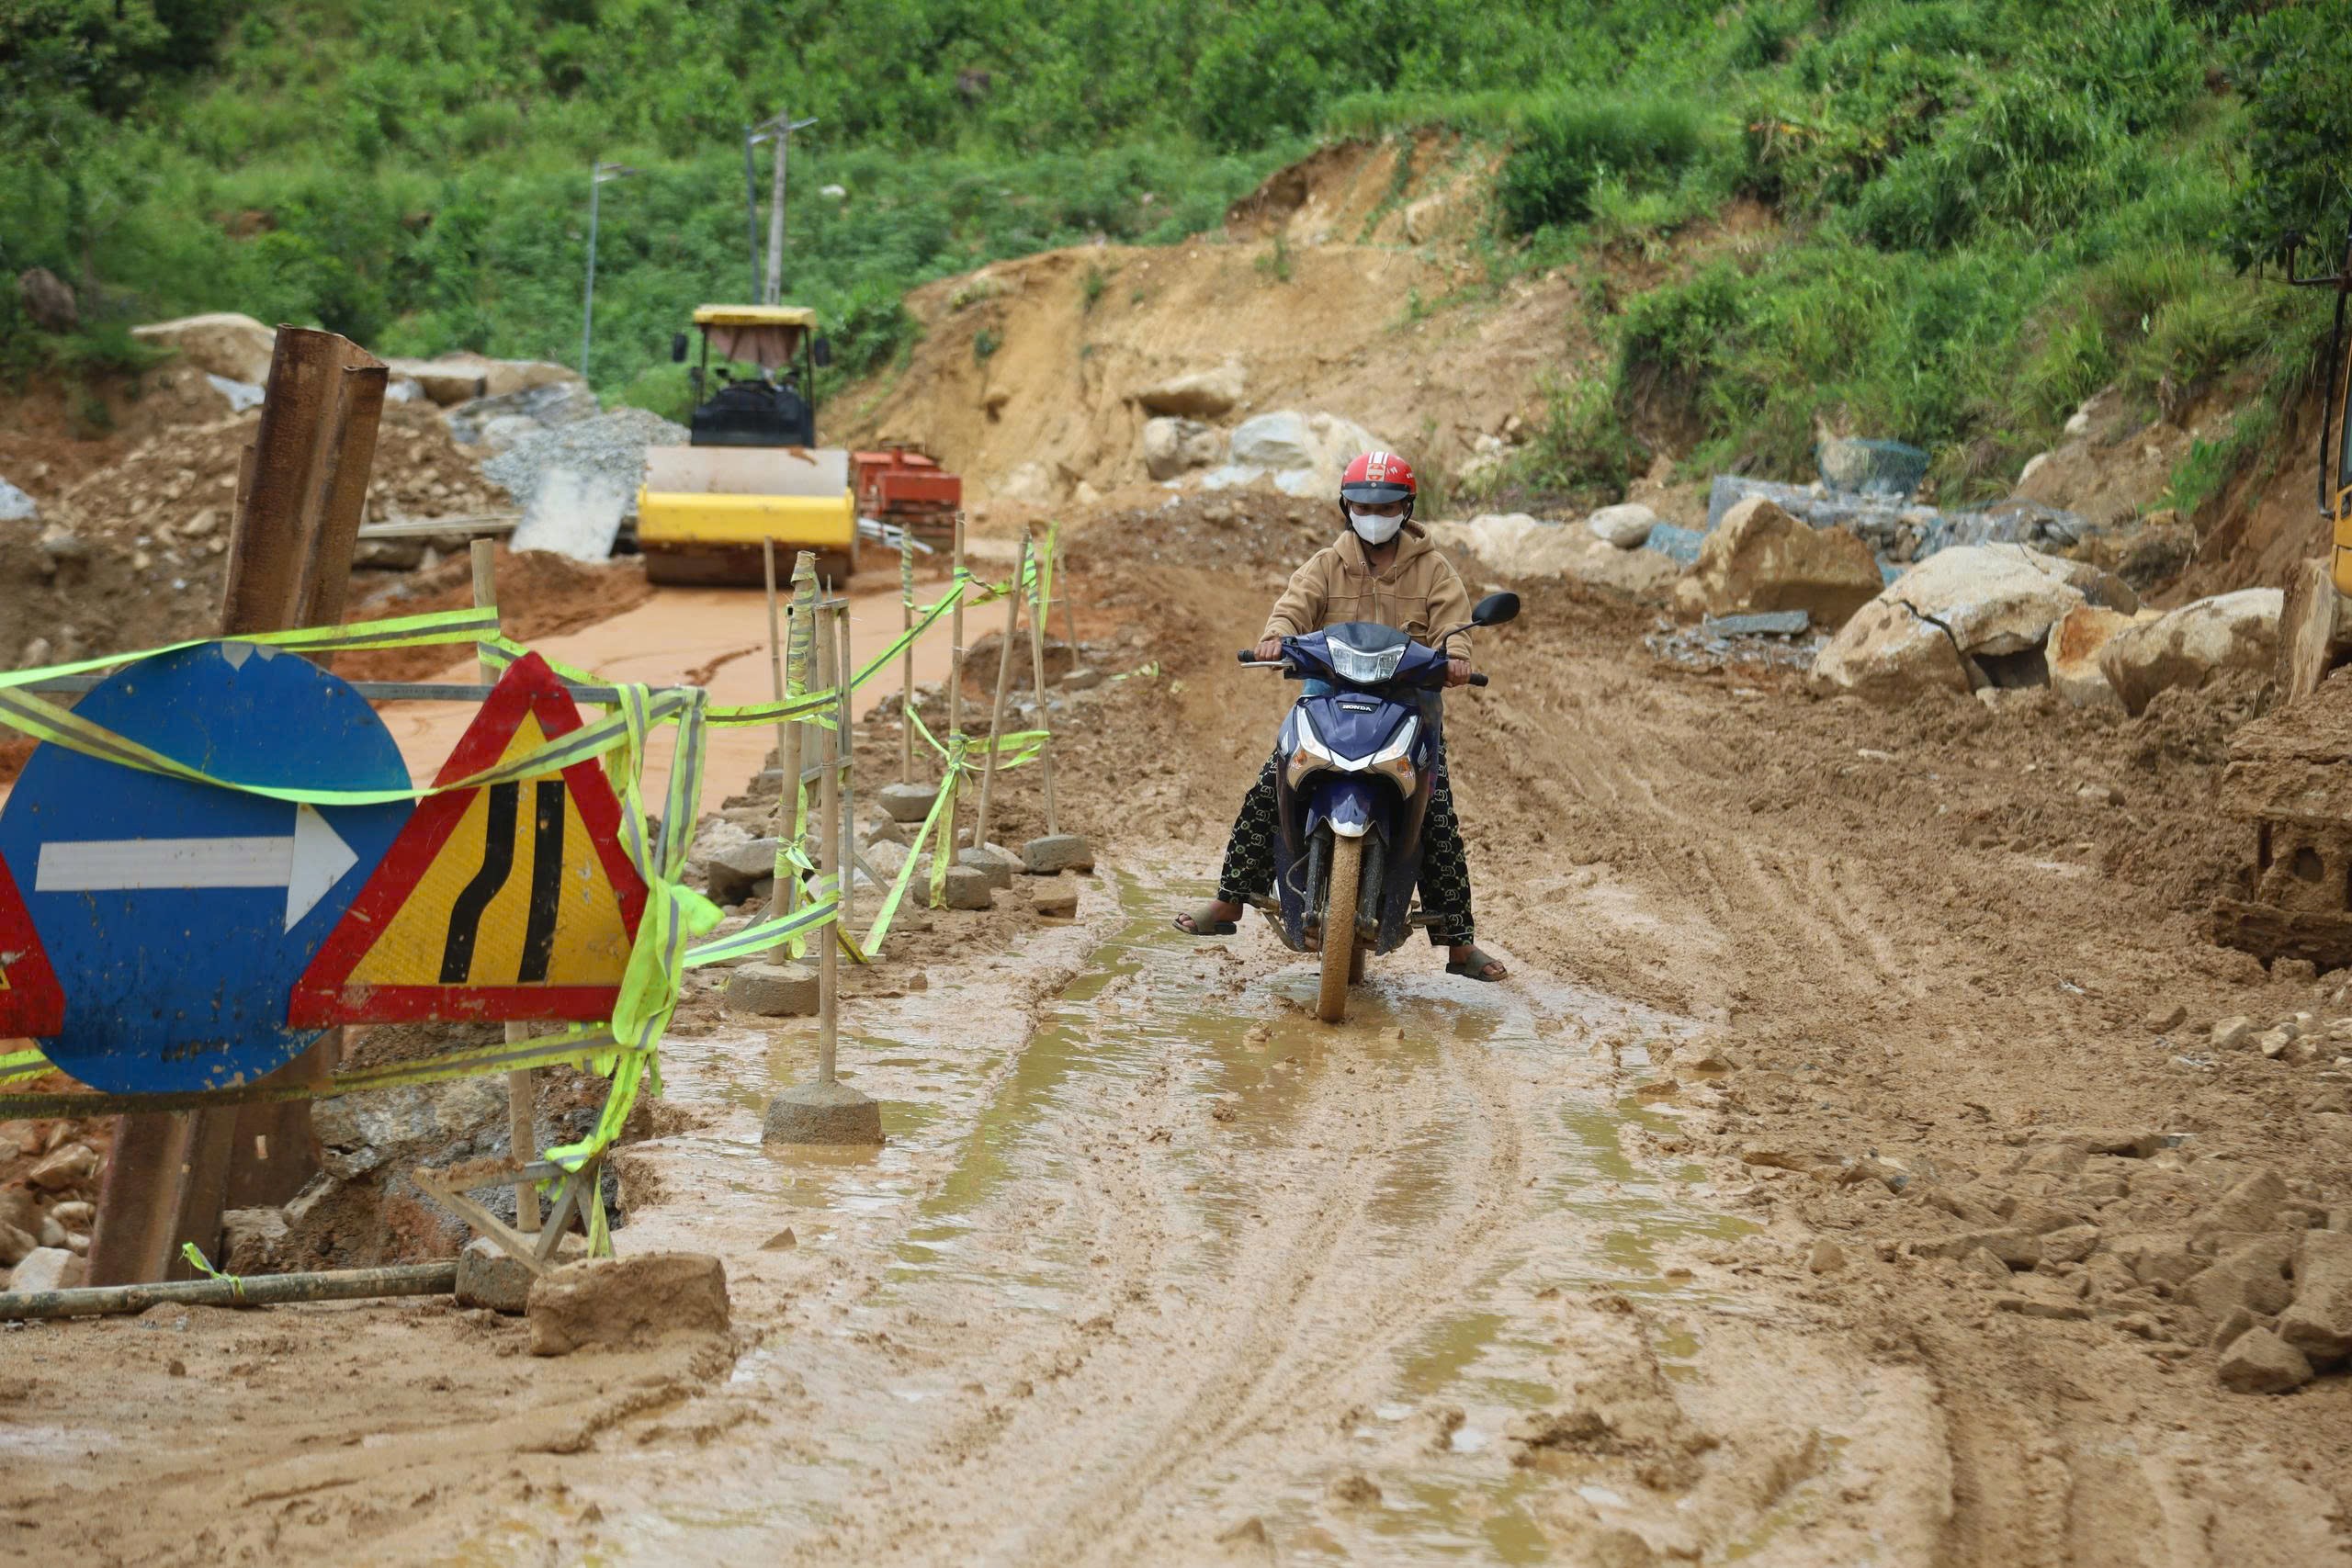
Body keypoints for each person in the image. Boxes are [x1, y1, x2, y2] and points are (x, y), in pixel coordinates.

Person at [1173, 451, 1506, 982]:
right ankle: (1231, 900)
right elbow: (1293, 605)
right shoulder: (1327, 563)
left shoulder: (1433, 568)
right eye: (1362, 503)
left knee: (1436, 815)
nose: (1375, 512)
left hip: (1409, 710)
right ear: (1345, 506)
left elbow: (1453, 624)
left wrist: (1458, 656)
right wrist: (1274, 637)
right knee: (1269, 788)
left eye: (1388, 503)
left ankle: (1460, 944)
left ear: (1407, 506)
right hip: (1327, 703)